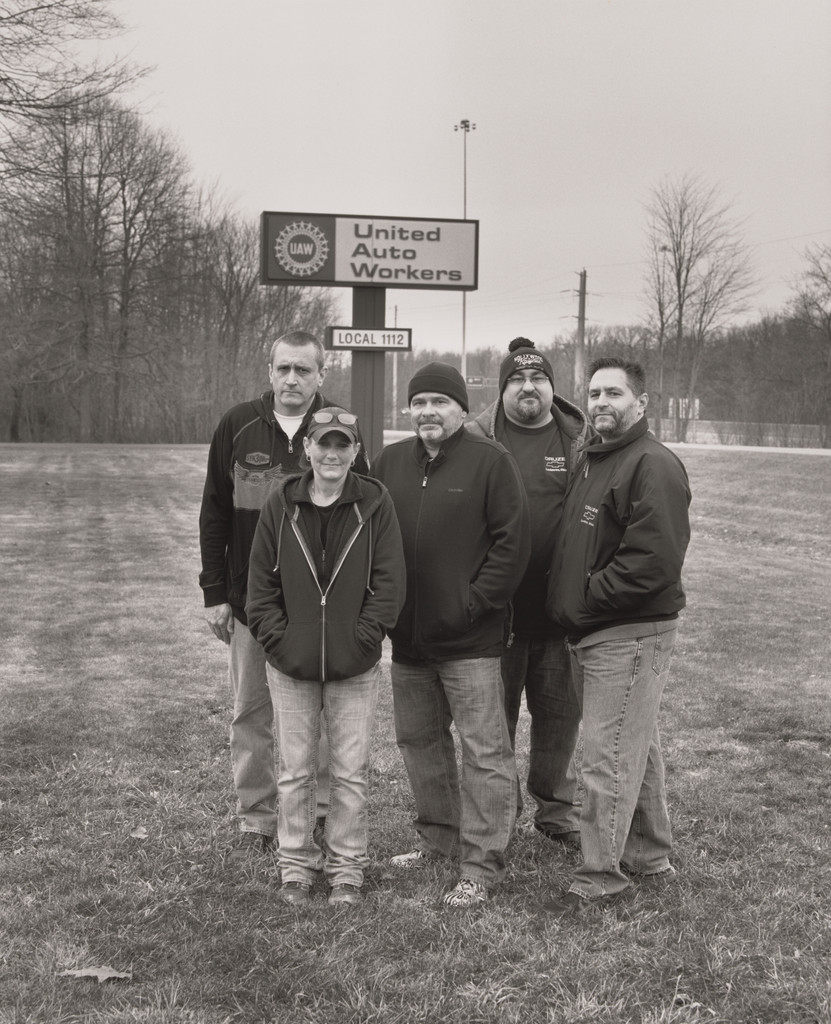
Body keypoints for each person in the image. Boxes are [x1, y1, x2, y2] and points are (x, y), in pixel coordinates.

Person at [199, 330, 370, 863]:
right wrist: (214, 591)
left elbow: (366, 518)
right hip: (254, 604)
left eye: (303, 369)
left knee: (319, 715)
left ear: (322, 373)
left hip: (322, 610)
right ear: (269, 372)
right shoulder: (238, 424)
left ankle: (318, 810)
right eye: (283, 369)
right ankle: (257, 816)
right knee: (250, 711)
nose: (292, 378)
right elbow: (215, 511)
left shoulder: (342, 429)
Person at [373, 361, 530, 908]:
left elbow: (513, 545)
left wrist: (473, 603)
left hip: (471, 642)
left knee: (485, 751)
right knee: (419, 742)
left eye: (440, 402)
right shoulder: (389, 462)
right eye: (419, 403)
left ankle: (482, 863)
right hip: (409, 640)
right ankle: (438, 839)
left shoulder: (491, 462)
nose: (428, 412)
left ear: (462, 409)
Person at [542, 357, 691, 917]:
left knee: (605, 757)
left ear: (642, 403)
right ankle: (650, 856)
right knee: (635, 745)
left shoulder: (652, 465)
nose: (602, 402)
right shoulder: (597, 459)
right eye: (595, 393)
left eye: (615, 393)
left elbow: (651, 563)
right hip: (595, 631)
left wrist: (583, 599)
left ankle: (600, 876)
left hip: (625, 634)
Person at [246, 408, 405, 906]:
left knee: (349, 773)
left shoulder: (375, 504)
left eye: (343, 445)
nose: (332, 454)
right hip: (290, 666)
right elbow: (260, 587)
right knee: (295, 770)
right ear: (307, 449)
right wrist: (280, 640)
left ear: (356, 452)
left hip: (353, 665)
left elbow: (389, 584)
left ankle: (346, 870)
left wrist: (363, 638)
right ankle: (295, 866)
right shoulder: (282, 503)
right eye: (323, 444)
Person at [467, 338, 593, 846]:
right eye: (516, 380)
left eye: (538, 379)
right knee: (493, 727)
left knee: (560, 722)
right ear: (501, 391)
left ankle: (556, 811)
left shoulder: (581, 440)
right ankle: (498, 813)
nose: (527, 387)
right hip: (498, 617)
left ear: (552, 388)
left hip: (563, 617)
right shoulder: (478, 439)